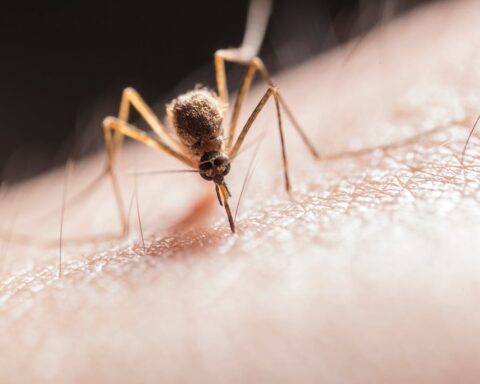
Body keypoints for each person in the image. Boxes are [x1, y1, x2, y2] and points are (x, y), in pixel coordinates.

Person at [0, 0, 479, 382]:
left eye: (217, 168)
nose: (216, 175)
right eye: (212, 169)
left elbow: (267, 88)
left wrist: (292, 178)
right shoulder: (188, 151)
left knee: (263, 88)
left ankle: (314, 160)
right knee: (120, 114)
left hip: (207, 117)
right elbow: (121, 123)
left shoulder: (224, 141)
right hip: (187, 125)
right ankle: (120, 219)